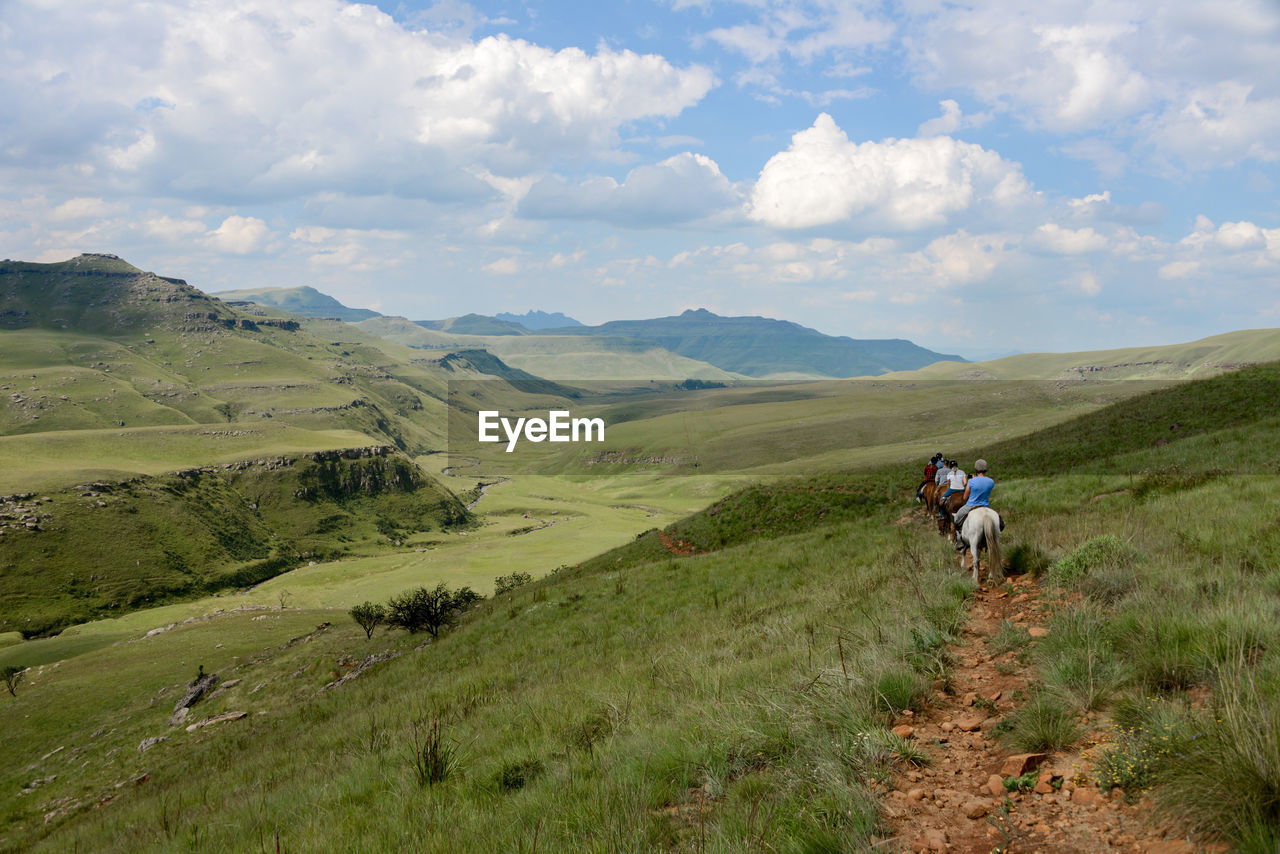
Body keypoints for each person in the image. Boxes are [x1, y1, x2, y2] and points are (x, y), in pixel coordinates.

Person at [952, 458, 1001, 545]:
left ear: (976, 469)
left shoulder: (971, 481)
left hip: (971, 505)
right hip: (986, 506)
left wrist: (972, 481)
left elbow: (965, 497)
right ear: (985, 469)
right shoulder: (991, 482)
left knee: (957, 519)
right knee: (1000, 522)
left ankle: (959, 538)